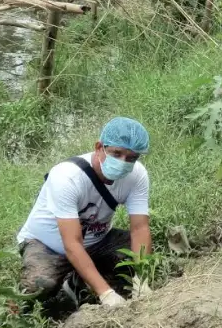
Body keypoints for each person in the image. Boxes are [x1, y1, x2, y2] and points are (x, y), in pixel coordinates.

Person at [17, 117, 153, 313]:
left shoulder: (137, 175)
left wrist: (143, 277)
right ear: (99, 147)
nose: (123, 162)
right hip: (47, 245)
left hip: (97, 241)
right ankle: (17, 308)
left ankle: (79, 280)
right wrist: (105, 293)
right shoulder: (67, 177)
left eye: (131, 158)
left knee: (134, 258)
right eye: (117, 153)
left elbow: (140, 228)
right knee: (39, 286)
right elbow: (72, 243)